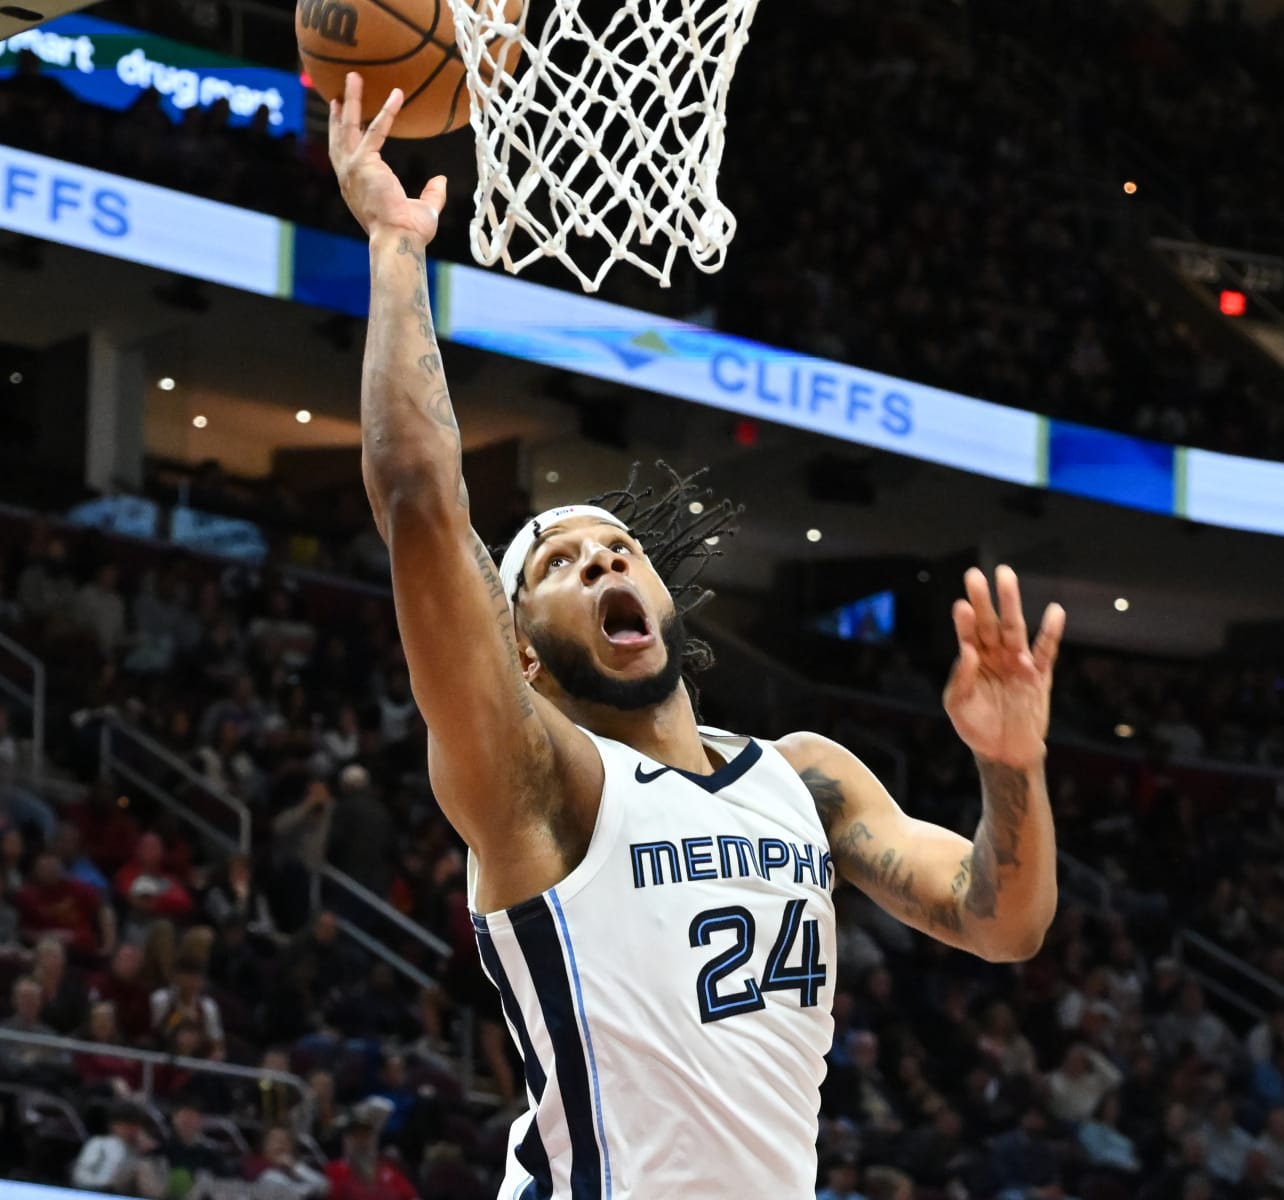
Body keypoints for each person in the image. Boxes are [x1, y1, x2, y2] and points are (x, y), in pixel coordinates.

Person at [326, 72, 1066, 1197]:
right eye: (560, 565)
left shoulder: (806, 780)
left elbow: (1001, 921)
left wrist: (1010, 769)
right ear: (518, 648)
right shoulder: (543, 784)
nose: (604, 559)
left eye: (617, 547)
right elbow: (423, 503)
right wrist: (392, 248)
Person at [71, 1101, 167, 1197]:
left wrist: (148, 1152)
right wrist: (106, 1185)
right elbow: (80, 1174)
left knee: (144, 1166)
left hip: (126, 1193)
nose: (129, 1129)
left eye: (133, 1125)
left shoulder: (141, 1149)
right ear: (113, 1125)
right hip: (95, 1190)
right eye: (124, 1124)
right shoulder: (99, 1143)